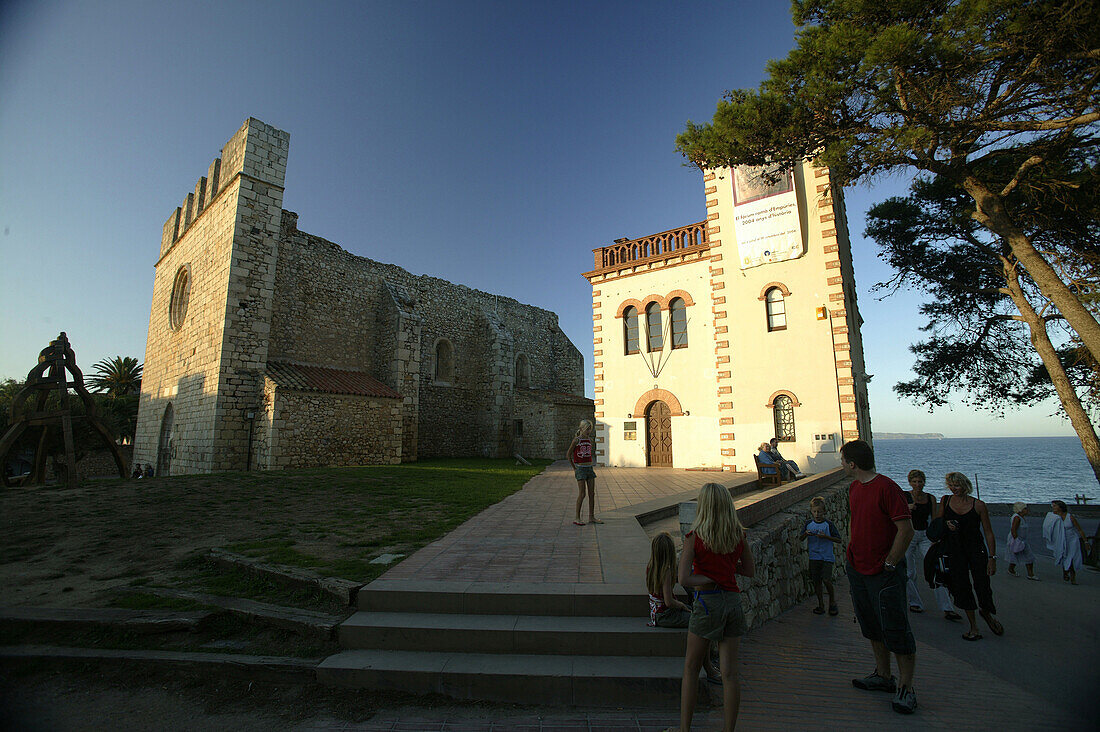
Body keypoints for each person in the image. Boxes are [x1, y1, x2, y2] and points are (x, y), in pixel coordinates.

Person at [839, 439, 917, 715]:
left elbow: (905, 530)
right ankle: (883, 675)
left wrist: (891, 563)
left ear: (852, 464)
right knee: (871, 624)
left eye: (843, 461)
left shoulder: (887, 488)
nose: (841, 465)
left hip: (883, 572)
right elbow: (855, 521)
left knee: (895, 627)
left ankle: (906, 688)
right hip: (858, 567)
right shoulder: (854, 487)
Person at [676, 483, 755, 732]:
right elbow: (749, 571)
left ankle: (684, 729)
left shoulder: (695, 537)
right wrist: (727, 571)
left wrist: (710, 577)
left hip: (707, 602)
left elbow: (684, 579)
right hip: (732, 602)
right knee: (730, 673)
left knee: (691, 668)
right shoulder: (737, 535)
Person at [934, 472, 1003, 641]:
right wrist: (945, 524)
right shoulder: (946, 500)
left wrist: (992, 558)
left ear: (965, 485)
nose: (954, 489)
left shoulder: (978, 505)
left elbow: (988, 532)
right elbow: (936, 524)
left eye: (956, 485)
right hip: (955, 550)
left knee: (983, 585)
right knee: (962, 587)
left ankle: (986, 612)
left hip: (976, 550)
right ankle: (973, 627)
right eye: (951, 485)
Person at [646, 532, 720, 683]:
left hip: (656, 612)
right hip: (665, 615)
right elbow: (668, 601)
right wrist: (680, 605)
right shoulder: (666, 571)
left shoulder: (651, 566)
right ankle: (708, 666)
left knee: (697, 615)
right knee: (701, 623)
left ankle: (709, 660)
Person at [903, 470, 958, 619]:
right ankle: (915, 602)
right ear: (909, 482)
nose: (917, 484)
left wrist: (937, 537)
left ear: (924, 482)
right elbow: (896, 515)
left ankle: (947, 608)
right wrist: (907, 509)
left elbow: (935, 519)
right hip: (909, 535)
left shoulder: (930, 498)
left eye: (920, 481)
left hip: (925, 535)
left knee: (936, 569)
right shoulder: (904, 496)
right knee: (909, 572)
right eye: (914, 481)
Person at [798, 496, 841, 616]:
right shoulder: (808, 524)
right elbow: (800, 539)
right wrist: (806, 534)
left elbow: (838, 539)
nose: (817, 514)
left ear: (824, 511)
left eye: (819, 511)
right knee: (817, 581)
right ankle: (821, 604)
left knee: (827, 580)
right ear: (811, 511)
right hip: (814, 557)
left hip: (827, 557)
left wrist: (826, 537)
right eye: (815, 511)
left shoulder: (828, 524)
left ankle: (832, 602)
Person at [566, 420, 602, 526]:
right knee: (582, 494)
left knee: (592, 493)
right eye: (587, 429)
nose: (589, 431)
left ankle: (591, 517)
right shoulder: (576, 440)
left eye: (590, 429)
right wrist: (574, 468)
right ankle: (577, 517)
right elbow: (568, 455)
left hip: (589, 468)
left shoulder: (590, 440)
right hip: (580, 469)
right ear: (581, 429)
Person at [1043, 500, 1087, 584]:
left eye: (1055, 506)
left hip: (1071, 540)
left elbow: (1080, 530)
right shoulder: (1053, 517)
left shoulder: (1070, 517)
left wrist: (1086, 542)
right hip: (1060, 540)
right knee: (1063, 555)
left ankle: (1072, 575)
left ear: (1060, 507)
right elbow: (1047, 527)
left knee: (1071, 556)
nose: (1053, 507)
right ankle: (1065, 571)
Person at [1005, 502, 1038, 580]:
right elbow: (1013, 530)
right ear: (1020, 510)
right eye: (1025, 509)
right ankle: (1030, 574)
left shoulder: (1021, 517)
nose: (1027, 510)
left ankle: (1013, 570)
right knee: (1027, 556)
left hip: (1022, 539)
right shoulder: (1017, 518)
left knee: (1019, 555)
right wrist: (1017, 541)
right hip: (1017, 539)